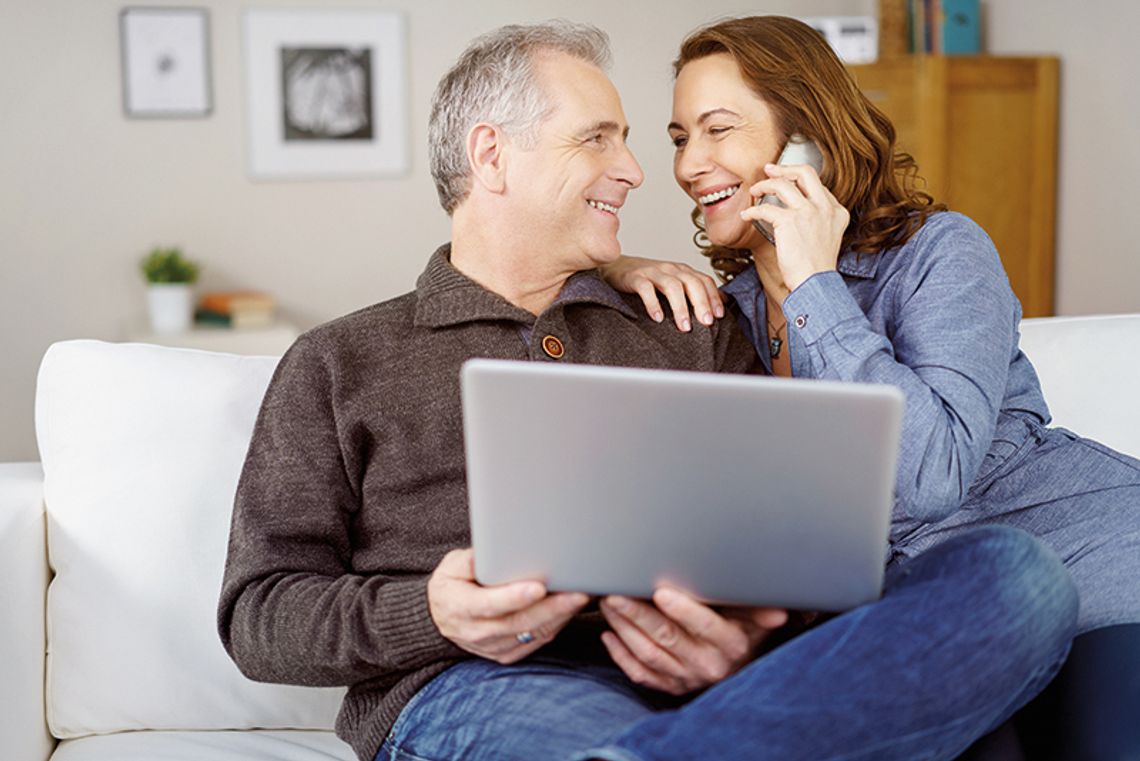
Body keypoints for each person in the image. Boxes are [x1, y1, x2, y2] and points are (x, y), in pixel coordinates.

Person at [217, 21, 1079, 761]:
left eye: (635, 140)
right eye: (598, 138)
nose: (635, 170)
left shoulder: (691, 323)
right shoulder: (340, 360)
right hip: (481, 686)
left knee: (1016, 575)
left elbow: (792, 541)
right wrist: (430, 613)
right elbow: (260, 614)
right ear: (492, 154)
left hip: (724, 691)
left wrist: (747, 642)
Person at [601, 15, 1140, 759]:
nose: (692, 163)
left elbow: (930, 473)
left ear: (807, 140)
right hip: (932, 624)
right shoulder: (728, 323)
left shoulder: (942, 254)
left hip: (1105, 585)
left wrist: (816, 284)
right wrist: (611, 269)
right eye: (679, 137)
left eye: (718, 129)